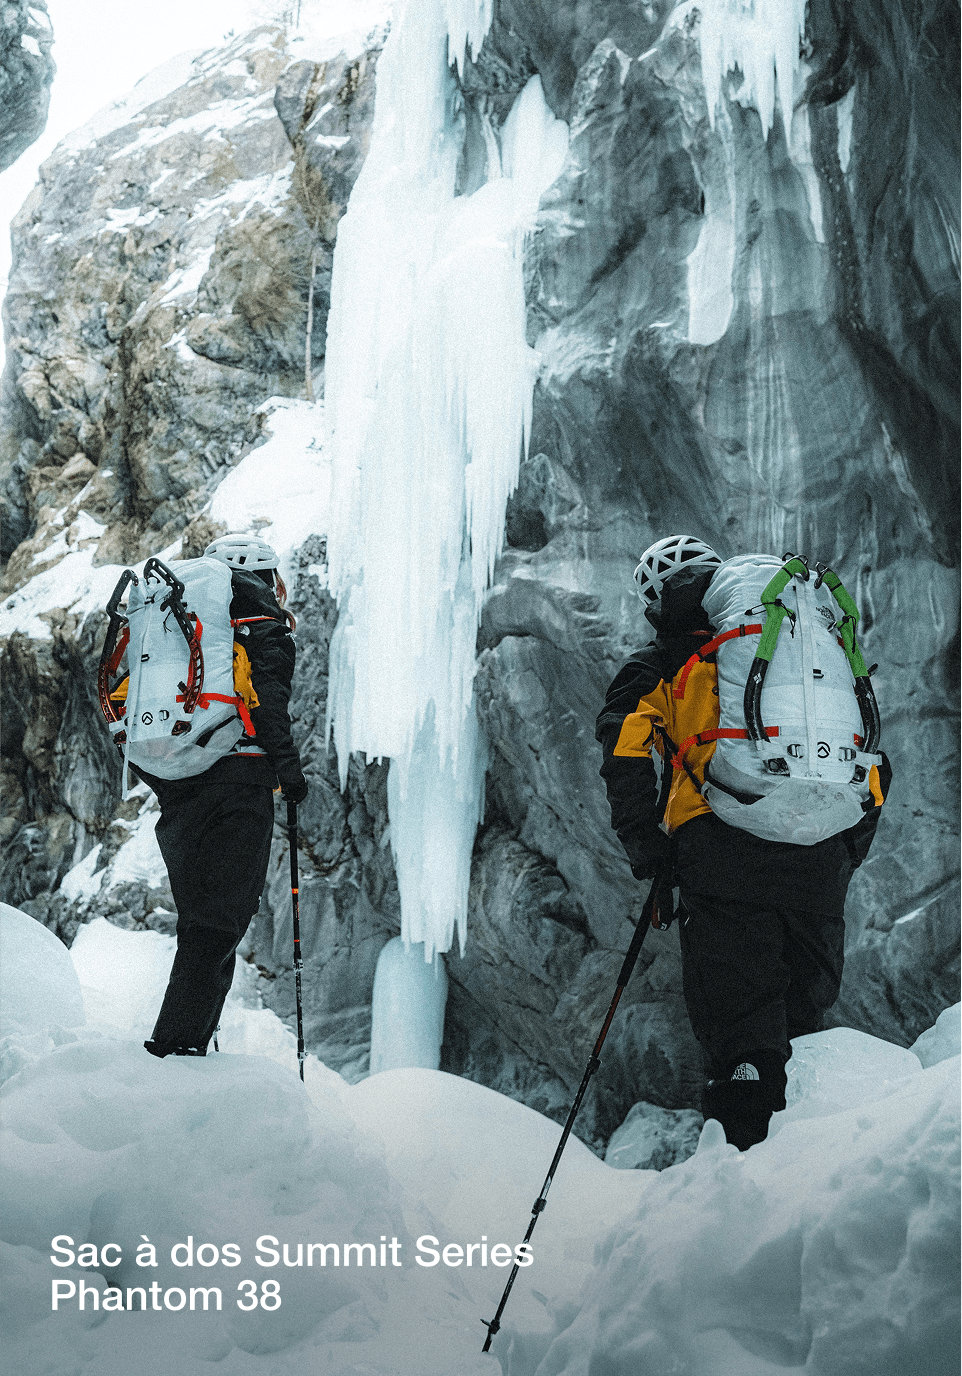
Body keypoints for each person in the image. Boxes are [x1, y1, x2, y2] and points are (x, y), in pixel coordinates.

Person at [595, 535, 889, 1150]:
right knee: (807, 1023)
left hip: (720, 855)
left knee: (739, 1028)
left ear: (655, 605)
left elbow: (625, 751)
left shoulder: (657, 666)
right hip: (818, 856)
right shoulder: (803, 644)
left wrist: (648, 851)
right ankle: (821, 1174)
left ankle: (745, 1173)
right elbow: (871, 759)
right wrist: (843, 854)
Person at [141, 535, 308, 1058]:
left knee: (202, 918)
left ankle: (191, 1041)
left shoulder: (184, 623)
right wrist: (289, 771)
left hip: (181, 780)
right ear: (262, 575)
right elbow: (271, 706)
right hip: (240, 782)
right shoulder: (262, 625)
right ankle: (178, 1047)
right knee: (221, 919)